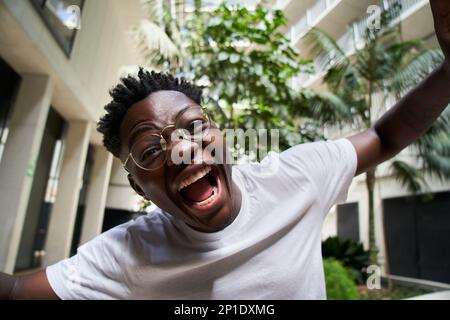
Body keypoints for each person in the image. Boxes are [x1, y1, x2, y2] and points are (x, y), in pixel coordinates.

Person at [1, 0, 449, 300]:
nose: (181, 150)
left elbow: (386, 137)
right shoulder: (128, 254)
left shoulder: (294, 178)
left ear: (221, 135)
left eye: (193, 127)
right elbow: (18, 291)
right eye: (151, 149)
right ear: (138, 184)